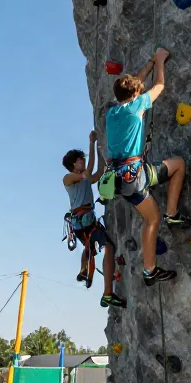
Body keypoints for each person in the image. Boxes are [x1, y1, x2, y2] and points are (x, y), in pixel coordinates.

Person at [105, 48, 191, 285]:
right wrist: (160, 61)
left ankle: (150, 269)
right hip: (135, 177)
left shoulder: (112, 113)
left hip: (121, 180)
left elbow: (136, 84)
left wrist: (148, 64)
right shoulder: (137, 106)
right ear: (136, 94)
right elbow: (159, 86)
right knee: (177, 166)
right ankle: (171, 216)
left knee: (149, 217)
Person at [63, 132, 124, 309]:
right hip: (82, 222)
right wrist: (92, 143)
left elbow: (98, 172)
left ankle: (85, 272)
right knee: (107, 247)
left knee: (94, 247)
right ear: (73, 164)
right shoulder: (68, 178)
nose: (83, 161)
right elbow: (89, 173)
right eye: (80, 160)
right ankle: (106, 291)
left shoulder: (84, 179)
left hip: (85, 221)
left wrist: (99, 150)